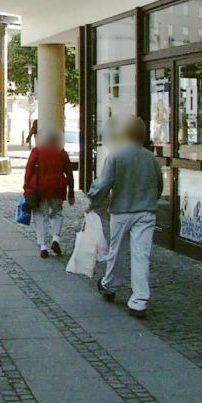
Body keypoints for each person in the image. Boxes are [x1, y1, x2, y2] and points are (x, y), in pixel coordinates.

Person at [87, 116, 163, 319]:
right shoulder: (150, 158)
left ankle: (110, 284)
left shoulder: (115, 156)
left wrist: (92, 203)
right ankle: (139, 300)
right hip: (146, 211)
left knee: (117, 250)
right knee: (141, 254)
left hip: (121, 211)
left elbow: (103, 184)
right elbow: (159, 184)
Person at [23, 129, 75, 258]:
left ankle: (43, 247)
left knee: (41, 215)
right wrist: (71, 193)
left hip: (41, 188)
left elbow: (29, 170)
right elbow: (69, 173)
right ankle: (56, 239)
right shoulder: (62, 153)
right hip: (58, 188)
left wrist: (26, 188)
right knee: (57, 213)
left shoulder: (37, 151)